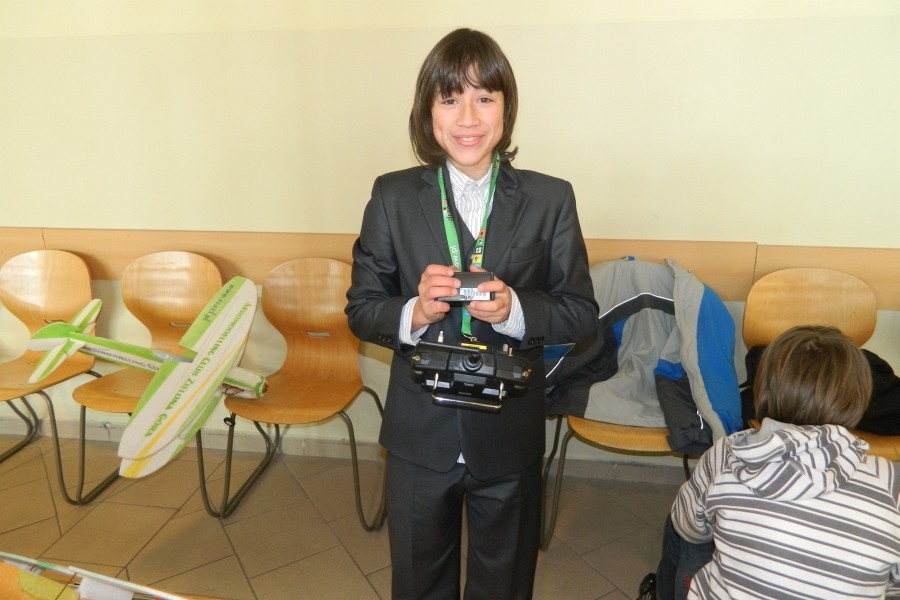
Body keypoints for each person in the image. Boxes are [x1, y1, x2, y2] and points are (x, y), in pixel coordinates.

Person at [345, 28, 598, 600]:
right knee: (418, 583)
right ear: (427, 113)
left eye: (484, 98)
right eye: (450, 98)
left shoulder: (551, 198)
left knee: (504, 586)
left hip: (508, 432)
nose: (467, 117)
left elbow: (581, 313)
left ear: (506, 111)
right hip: (418, 433)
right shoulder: (392, 196)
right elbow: (361, 309)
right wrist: (414, 311)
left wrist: (515, 311)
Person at [645, 325, 900, 600]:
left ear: (762, 389)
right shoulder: (889, 481)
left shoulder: (728, 453)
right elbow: (892, 584)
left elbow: (689, 528)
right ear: (859, 399)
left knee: (684, 517)